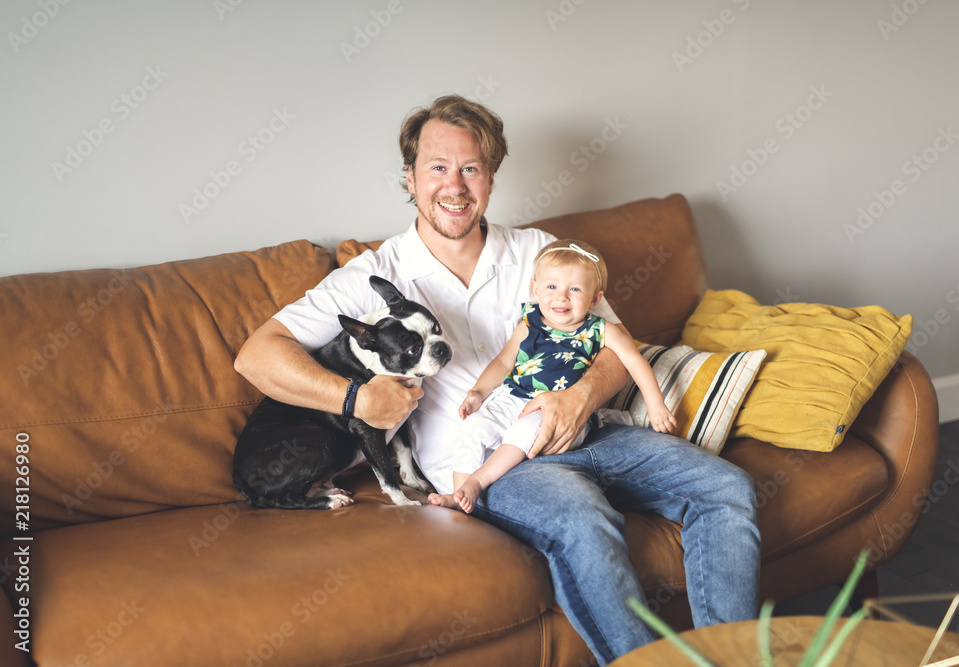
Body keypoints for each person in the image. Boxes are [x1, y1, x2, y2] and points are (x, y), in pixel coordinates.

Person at [234, 94, 761, 665]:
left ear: (491, 178)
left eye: (471, 168)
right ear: (409, 177)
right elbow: (257, 356)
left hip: (587, 432)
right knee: (583, 518)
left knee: (727, 489)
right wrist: (355, 398)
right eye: (437, 167)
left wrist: (580, 397)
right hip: (483, 460)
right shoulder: (373, 274)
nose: (454, 186)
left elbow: (615, 348)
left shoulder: (539, 252)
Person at [428, 238, 678, 513]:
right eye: (551, 286)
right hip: (515, 396)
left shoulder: (602, 329)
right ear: (535, 289)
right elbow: (503, 363)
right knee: (473, 427)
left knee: (524, 435)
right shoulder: (529, 322)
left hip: (559, 411)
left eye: (575, 289)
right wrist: (478, 393)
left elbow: (634, 361)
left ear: (596, 298)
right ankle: (459, 495)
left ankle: (477, 483)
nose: (561, 296)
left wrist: (656, 405)